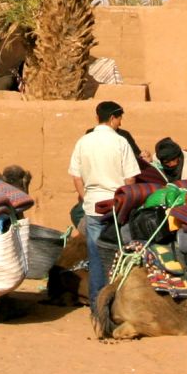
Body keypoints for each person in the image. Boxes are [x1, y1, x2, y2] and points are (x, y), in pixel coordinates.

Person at [69, 100, 140, 305]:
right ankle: (115, 301)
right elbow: (130, 179)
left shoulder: (83, 142)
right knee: (119, 254)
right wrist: (126, 201)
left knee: (96, 256)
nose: (120, 123)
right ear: (112, 118)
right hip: (116, 207)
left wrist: (86, 198)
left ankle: (96, 303)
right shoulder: (120, 142)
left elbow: (76, 176)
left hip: (93, 207)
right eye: (119, 119)